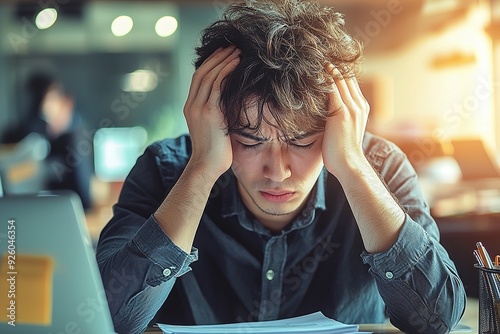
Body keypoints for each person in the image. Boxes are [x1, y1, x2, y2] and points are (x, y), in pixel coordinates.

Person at [96, 1, 466, 333]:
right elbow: (106, 321)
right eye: (250, 141)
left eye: (303, 141)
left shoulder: (380, 169)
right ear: (213, 123)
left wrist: (353, 168)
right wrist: (202, 170)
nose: (277, 171)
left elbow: (438, 319)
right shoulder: (164, 170)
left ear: (337, 124)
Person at [1, 72, 93, 210]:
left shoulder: (73, 138)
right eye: (46, 100)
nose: (49, 107)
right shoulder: (26, 138)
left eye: (52, 100)